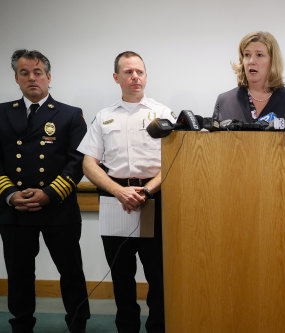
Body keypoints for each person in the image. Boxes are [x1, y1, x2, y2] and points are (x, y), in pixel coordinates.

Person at [78, 51, 175, 333]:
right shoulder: (104, 117)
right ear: (116, 77)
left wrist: (147, 189)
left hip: (153, 198)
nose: (135, 77)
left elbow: (174, 161)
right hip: (114, 199)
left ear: (146, 75)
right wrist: (120, 192)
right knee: (121, 275)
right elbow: (88, 164)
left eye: (140, 72)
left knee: (158, 274)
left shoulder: (163, 113)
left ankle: (158, 326)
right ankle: (127, 327)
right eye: (128, 72)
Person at [0, 49, 90, 332]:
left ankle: (77, 324)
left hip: (58, 208)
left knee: (71, 272)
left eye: (38, 72)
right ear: (16, 78)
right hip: (15, 209)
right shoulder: (1, 113)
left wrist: (49, 193)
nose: (32, 78)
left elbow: (78, 162)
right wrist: (11, 194)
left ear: (48, 77)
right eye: (24, 73)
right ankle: (21, 324)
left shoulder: (70, 115)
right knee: (18, 274)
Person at [212, 31, 285, 173]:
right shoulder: (225, 101)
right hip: (233, 182)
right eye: (247, 55)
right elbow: (214, 149)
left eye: (259, 55)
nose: (251, 61)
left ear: (272, 61)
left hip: (280, 184)